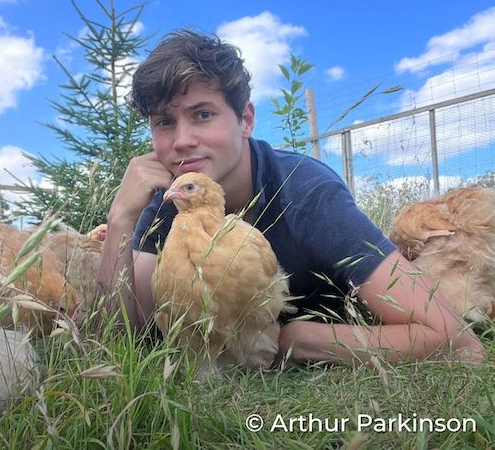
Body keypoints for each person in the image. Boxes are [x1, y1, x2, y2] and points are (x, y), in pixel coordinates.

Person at [99, 29, 484, 365]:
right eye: (164, 122)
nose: (182, 140)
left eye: (202, 115)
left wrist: (306, 340)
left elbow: (456, 340)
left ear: (246, 120)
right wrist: (120, 221)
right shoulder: (174, 198)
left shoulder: (307, 193)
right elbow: (117, 337)